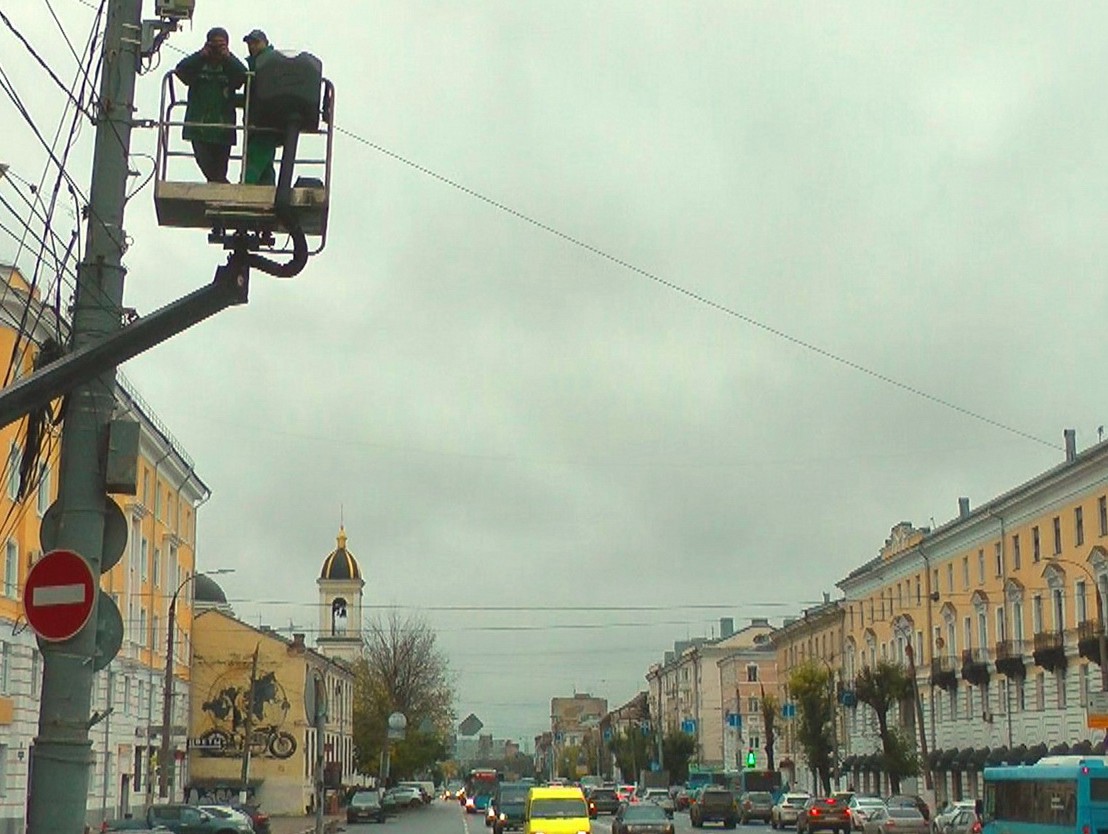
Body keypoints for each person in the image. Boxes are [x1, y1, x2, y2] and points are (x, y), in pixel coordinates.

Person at [174, 28, 247, 183]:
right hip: (198, 126)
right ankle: (223, 187)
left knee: (219, 170)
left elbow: (243, 77)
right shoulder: (198, 64)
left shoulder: (230, 67)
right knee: (208, 167)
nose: (216, 49)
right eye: (214, 44)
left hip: (223, 128)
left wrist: (228, 57)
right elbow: (180, 71)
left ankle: (222, 187)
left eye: (221, 44)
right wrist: (201, 55)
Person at [241, 29, 279, 185]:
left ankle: (246, 186)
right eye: (249, 43)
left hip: (264, 121)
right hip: (259, 120)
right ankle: (268, 187)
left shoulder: (267, 62)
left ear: (266, 43)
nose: (252, 47)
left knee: (256, 158)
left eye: (256, 42)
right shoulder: (257, 64)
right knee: (266, 163)